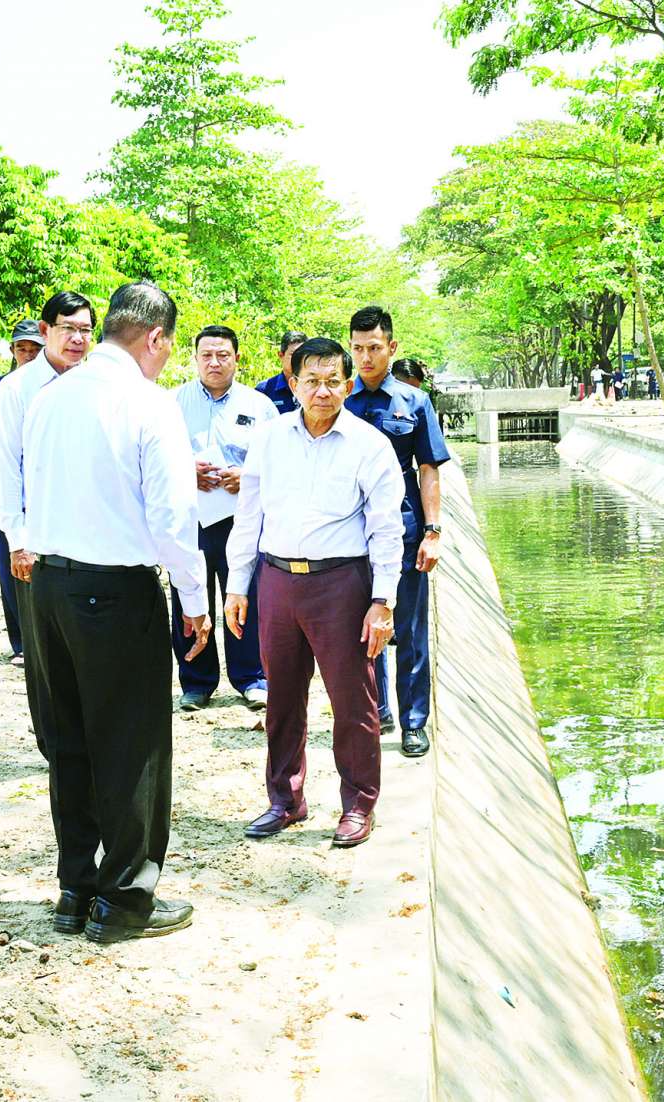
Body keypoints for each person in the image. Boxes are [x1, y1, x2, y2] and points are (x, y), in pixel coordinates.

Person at [22, 281, 211, 943]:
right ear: (156, 337)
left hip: (46, 589)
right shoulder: (149, 404)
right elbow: (173, 519)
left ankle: (76, 889)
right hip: (116, 590)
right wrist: (195, 601)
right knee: (132, 746)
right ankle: (125, 899)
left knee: (69, 743)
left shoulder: (49, 396)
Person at [224, 337, 404, 848]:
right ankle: (285, 799)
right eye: (311, 381)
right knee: (282, 698)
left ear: (347, 384)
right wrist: (238, 585)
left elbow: (386, 529)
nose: (322, 392)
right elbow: (249, 515)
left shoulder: (370, 445)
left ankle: (358, 804)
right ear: (293, 383)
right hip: (277, 581)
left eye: (332, 382)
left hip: (341, 584)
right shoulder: (270, 438)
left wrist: (382, 601)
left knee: (353, 701)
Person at [0, 290, 96, 757]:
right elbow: (5, 469)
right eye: (68, 329)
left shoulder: (97, 384)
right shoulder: (18, 389)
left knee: (88, 646)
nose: (77, 339)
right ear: (45, 330)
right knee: (45, 653)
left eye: (86, 330)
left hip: (91, 540)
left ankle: (90, 742)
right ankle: (55, 749)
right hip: (38, 543)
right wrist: (18, 541)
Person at [345, 307, 452, 758]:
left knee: (407, 630)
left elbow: (428, 469)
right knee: (359, 631)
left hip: (404, 529)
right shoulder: (339, 400)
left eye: (374, 348)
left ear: (392, 347)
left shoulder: (415, 403)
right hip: (349, 534)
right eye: (358, 348)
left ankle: (413, 722)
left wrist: (432, 531)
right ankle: (375, 713)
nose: (366, 357)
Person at [173, 324, 278, 712]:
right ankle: (196, 682)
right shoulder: (172, 403)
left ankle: (251, 678)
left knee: (245, 595)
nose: (214, 362)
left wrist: (247, 475)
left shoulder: (259, 406)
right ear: (195, 358)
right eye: (206, 355)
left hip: (242, 519)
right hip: (190, 519)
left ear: (237, 358)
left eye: (222, 355)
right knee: (188, 594)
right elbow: (153, 457)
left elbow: (278, 460)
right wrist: (186, 471)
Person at [0, 318, 44, 665]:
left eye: (34, 349)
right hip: (5, 488)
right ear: (13, 351)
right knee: (11, 562)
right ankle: (21, 642)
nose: (28, 355)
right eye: (22, 349)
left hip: (45, 490)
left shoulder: (53, 387)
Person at [257, 330, 307, 415]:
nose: (298, 359)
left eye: (302, 354)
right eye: (293, 354)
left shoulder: (314, 388)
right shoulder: (264, 389)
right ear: (281, 355)